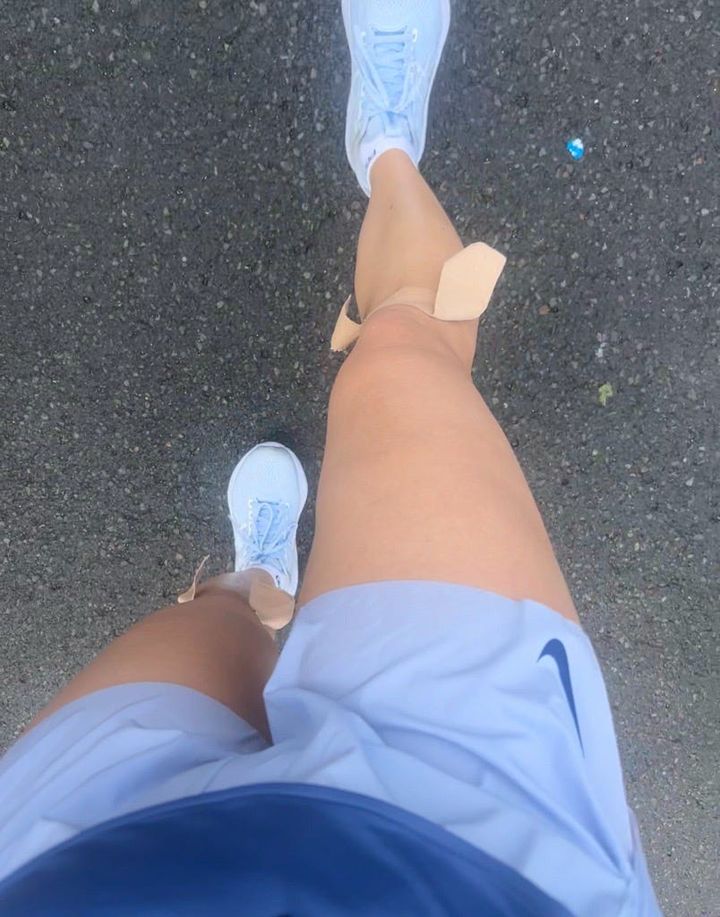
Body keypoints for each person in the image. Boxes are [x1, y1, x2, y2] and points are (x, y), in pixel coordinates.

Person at [0, 1, 660, 914]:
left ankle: (256, 580)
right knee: (407, 349)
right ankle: (390, 152)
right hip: (483, 862)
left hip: (85, 864)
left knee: (216, 630)